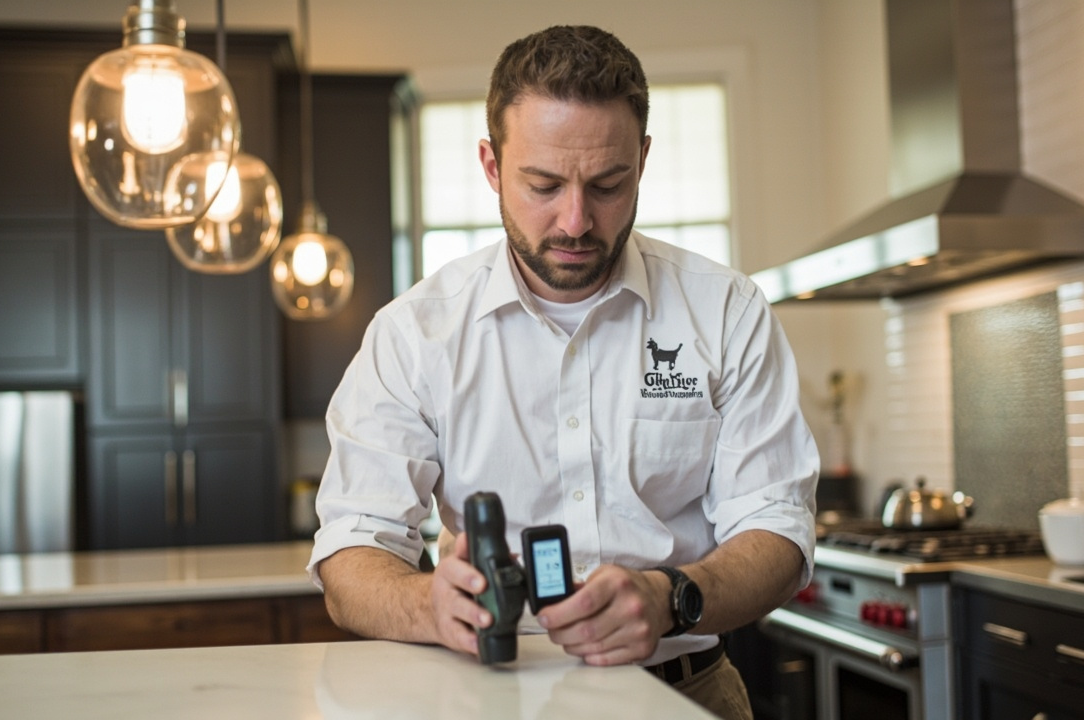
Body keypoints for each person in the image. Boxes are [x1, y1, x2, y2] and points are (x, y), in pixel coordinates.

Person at [307, 25, 818, 720]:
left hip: (688, 690)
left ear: (642, 161)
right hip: (488, 700)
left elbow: (779, 529)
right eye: (543, 185)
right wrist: (426, 604)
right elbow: (351, 549)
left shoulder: (726, 311)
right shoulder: (415, 333)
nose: (575, 221)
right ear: (492, 166)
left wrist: (673, 597)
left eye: (608, 184)